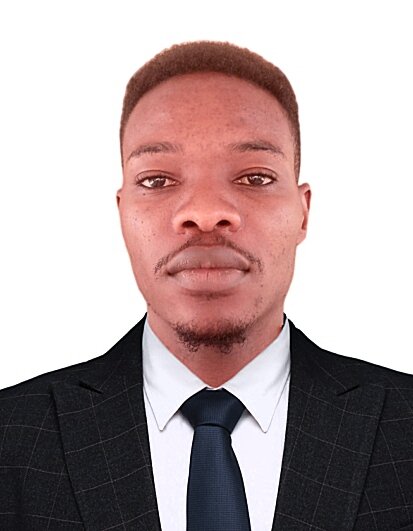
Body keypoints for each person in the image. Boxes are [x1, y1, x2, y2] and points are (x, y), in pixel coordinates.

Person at [0, 41, 412, 531]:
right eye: (157, 180)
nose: (205, 212)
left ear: (303, 212)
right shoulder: (12, 438)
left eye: (255, 177)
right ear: (122, 213)